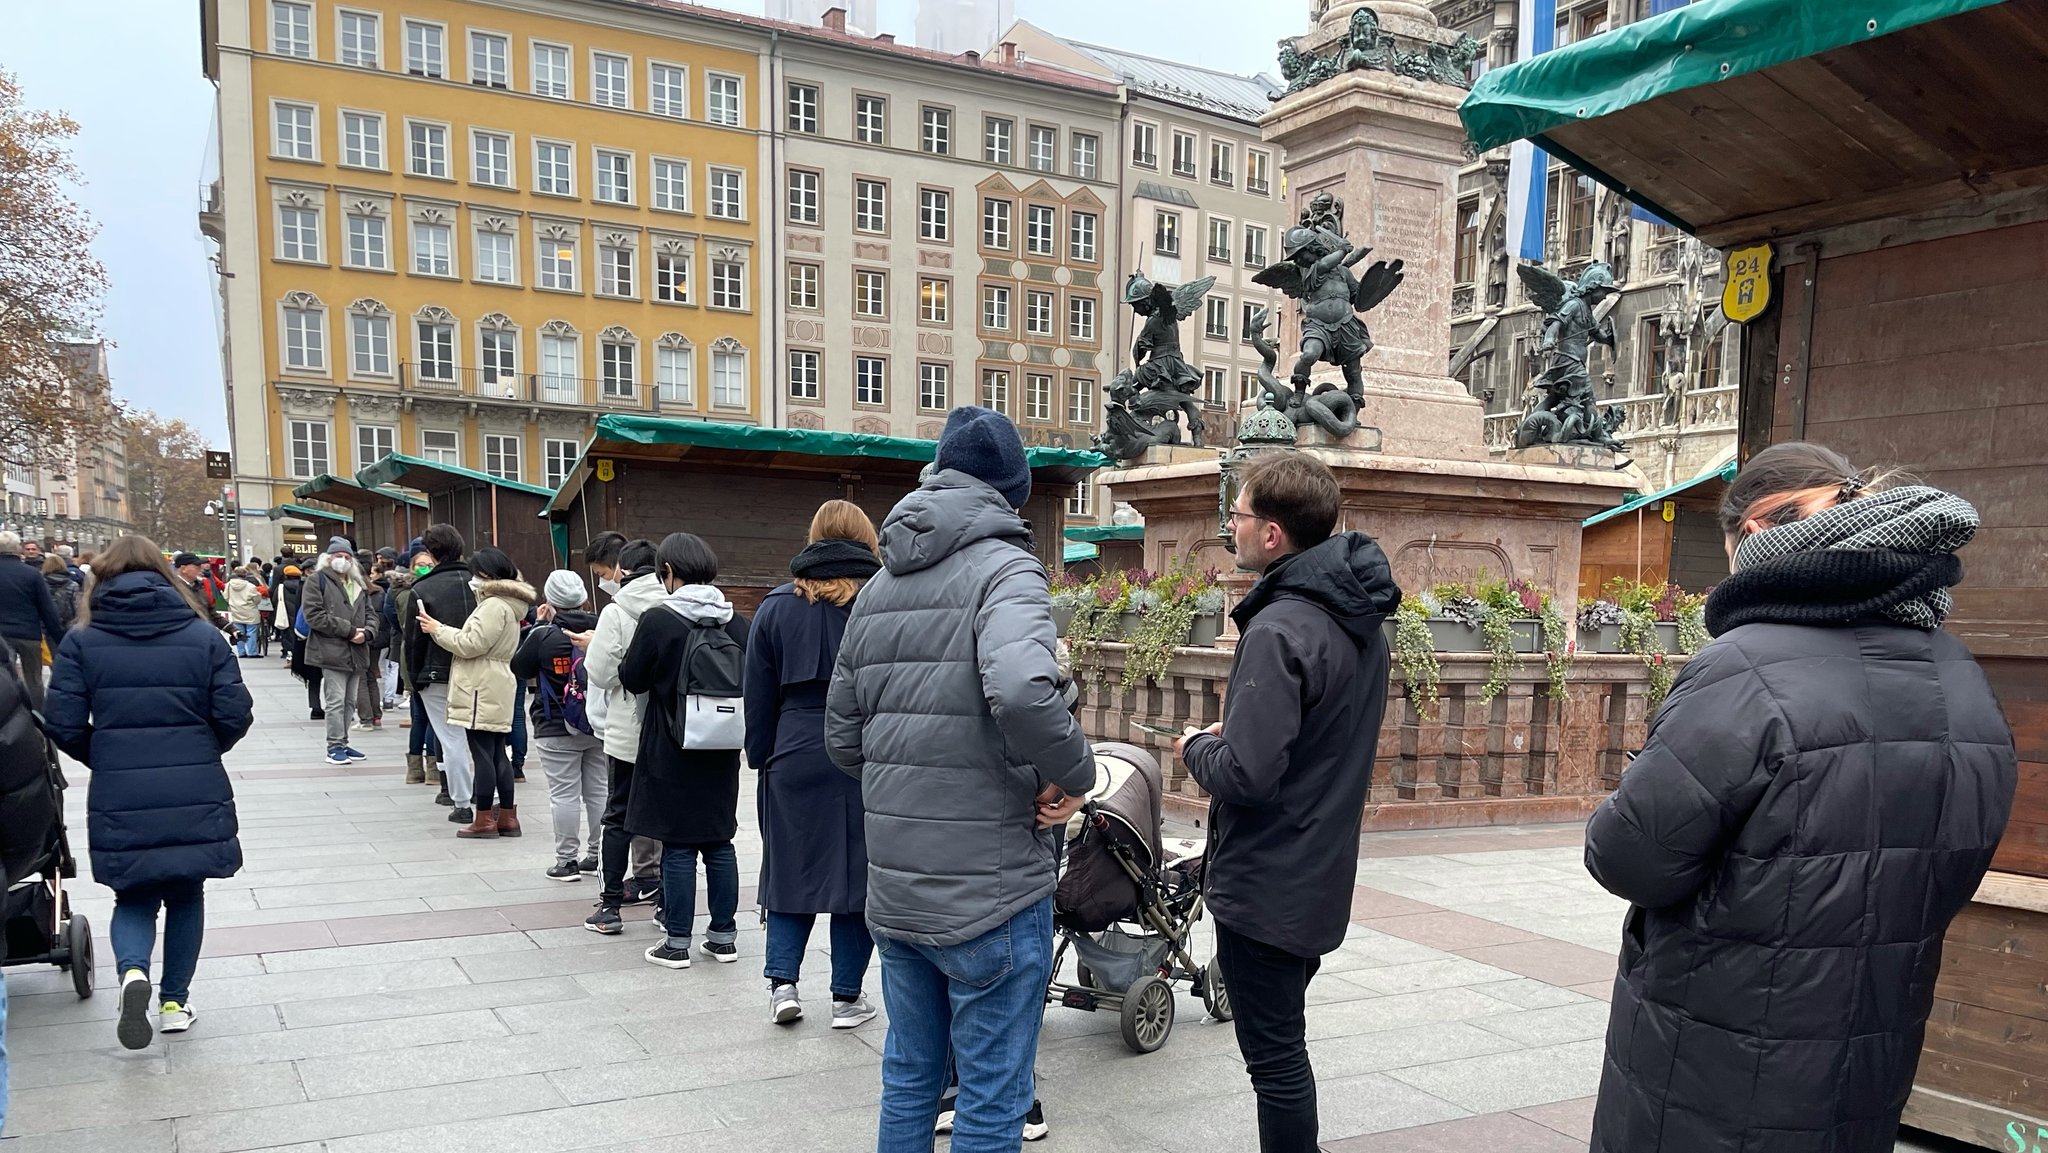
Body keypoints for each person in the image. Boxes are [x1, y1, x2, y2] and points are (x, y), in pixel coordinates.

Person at [1581, 443, 2017, 1153]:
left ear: (1752, 536)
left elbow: (1630, 858)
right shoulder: (1959, 675)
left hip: (1712, 1050)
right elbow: (1959, 850)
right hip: (1872, 1042)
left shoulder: (1742, 667)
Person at [825, 406, 1092, 1152]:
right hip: (993, 886)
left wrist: (909, 787)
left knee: (910, 1075)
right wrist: (1077, 772)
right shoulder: (1007, 570)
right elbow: (1020, 687)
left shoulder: (879, 586)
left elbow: (842, 737)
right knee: (992, 1091)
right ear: (1013, 491)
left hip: (899, 889)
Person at [1174, 452, 1401, 1153]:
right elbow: (1312, 740)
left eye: (1236, 515)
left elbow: (1245, 774)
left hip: (1267, 881)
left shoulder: (1278, 627)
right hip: (1316, 873)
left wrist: (1194, 746)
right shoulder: (1357, 618)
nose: (1229, 527)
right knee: (1284, 1046)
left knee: (1274, 1062)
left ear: (1272, 534)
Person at [44, 535, 253, 1049]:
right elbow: (235, 713)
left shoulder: (81, 640)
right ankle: (175, 1001)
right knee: (186, 892)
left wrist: (107, 755)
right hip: (193, 778)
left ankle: (133, 973)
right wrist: (204, 748)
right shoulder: (202, 636)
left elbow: (62, 722)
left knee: (133, 893)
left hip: (121, 784)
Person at [744, 500, 881, 1026]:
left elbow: (757, 694)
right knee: (855, 875)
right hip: (863, 748)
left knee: (789, 869)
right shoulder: (879, 601)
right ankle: (847, 996)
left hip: (793, 746)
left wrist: (762, 756)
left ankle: (783, 986)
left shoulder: (777, 606)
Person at [617, 533, 749, 968]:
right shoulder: (735, 622)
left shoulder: (659, 619)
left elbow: (633, 678)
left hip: (671, 744)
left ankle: (676, 942)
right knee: (719, 842)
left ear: (669, 573)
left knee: (676, 845)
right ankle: (724, 937)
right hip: (722, 745)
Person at [579, 536, 668, 933]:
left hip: (628, 729)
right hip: (673, 730)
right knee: (669, 819)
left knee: (618, 816)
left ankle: (610, 907)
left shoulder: (616, 611)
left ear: (622, 570)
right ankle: (668, 904)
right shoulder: (676, 602)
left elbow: (598, 672)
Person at [418, 546, 534, 839]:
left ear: (485, 575)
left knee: (483, 753)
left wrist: (437, 629)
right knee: (497, 753)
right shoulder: (511, 603)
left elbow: (470, 644)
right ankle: (507, 817)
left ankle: (483, 819)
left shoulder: (494, 605)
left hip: (480, 683)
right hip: (497, 680)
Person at [513, 570, 605, 880]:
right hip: (598, 722)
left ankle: (567, 862)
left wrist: (539, 624)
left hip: (555, 723)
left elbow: (519, 667)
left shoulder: (544, 634)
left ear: (550, 601)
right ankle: (598, 855)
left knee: (564, 795)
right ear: (583, 598)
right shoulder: (603, 627)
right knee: (599, 792)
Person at [404, 525, 479, 821]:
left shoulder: (422, 589)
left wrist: (414, 679)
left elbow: (414, 640)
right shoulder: (480, 584)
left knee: (451, 739)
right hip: (479, 670)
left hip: (437, 673)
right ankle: (492, 796)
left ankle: (461, 802)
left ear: (432, 553)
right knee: (483, 736)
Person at [301, 539, 376, 767]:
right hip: (331, 650)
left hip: (357, 650)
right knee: (335, 701)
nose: (342, 560)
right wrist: (350, 630)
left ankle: (343, 742)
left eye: (346, 556)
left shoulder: (357, 582)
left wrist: (368, 633)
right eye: (338, 556)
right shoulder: (317, 580)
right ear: (328, 557)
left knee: (350, 701)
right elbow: (314, 616)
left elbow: (371, 613)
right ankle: (334, 746)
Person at [388, 543, 442, 786]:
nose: (426, 568)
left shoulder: (397, 591)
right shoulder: (423, 591)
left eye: (430, 565)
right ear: (411, 566)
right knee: (429, 716)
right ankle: (432, 768)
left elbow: (391, 619)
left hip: (408, 652)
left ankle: (414, 771)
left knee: (419, 716)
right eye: (421, 565)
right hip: (423, 653)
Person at [0, 532, 62, 711]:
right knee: (34, 678)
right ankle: (37, 714)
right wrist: (59, 637)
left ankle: (7, 711)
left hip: (1, 635)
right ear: (18, 549)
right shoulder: (32, 574)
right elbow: (47, 609)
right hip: (28, 633)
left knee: (4, 675)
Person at [353, 561, 390, 731]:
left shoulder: (356, 591)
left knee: (360, 677)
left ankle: (365, 719)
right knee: (372, 676)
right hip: (376, 639)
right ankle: (376, 716)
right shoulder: (379, 591)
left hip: (361, 638)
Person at [224, 566, 263, 657]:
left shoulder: (229, 585)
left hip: (236, 611)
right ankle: (252, 652)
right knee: (252, 631)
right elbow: (257, 598)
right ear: (245, 575)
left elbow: (226, 597)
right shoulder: (250, 586)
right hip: (250, 611)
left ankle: (241, 652)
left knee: (238, 632)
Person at [42, 554, 80, 632]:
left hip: (45, 625)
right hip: (68, 625)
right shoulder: (73, 585)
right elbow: (77, 607)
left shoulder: (41, 583)